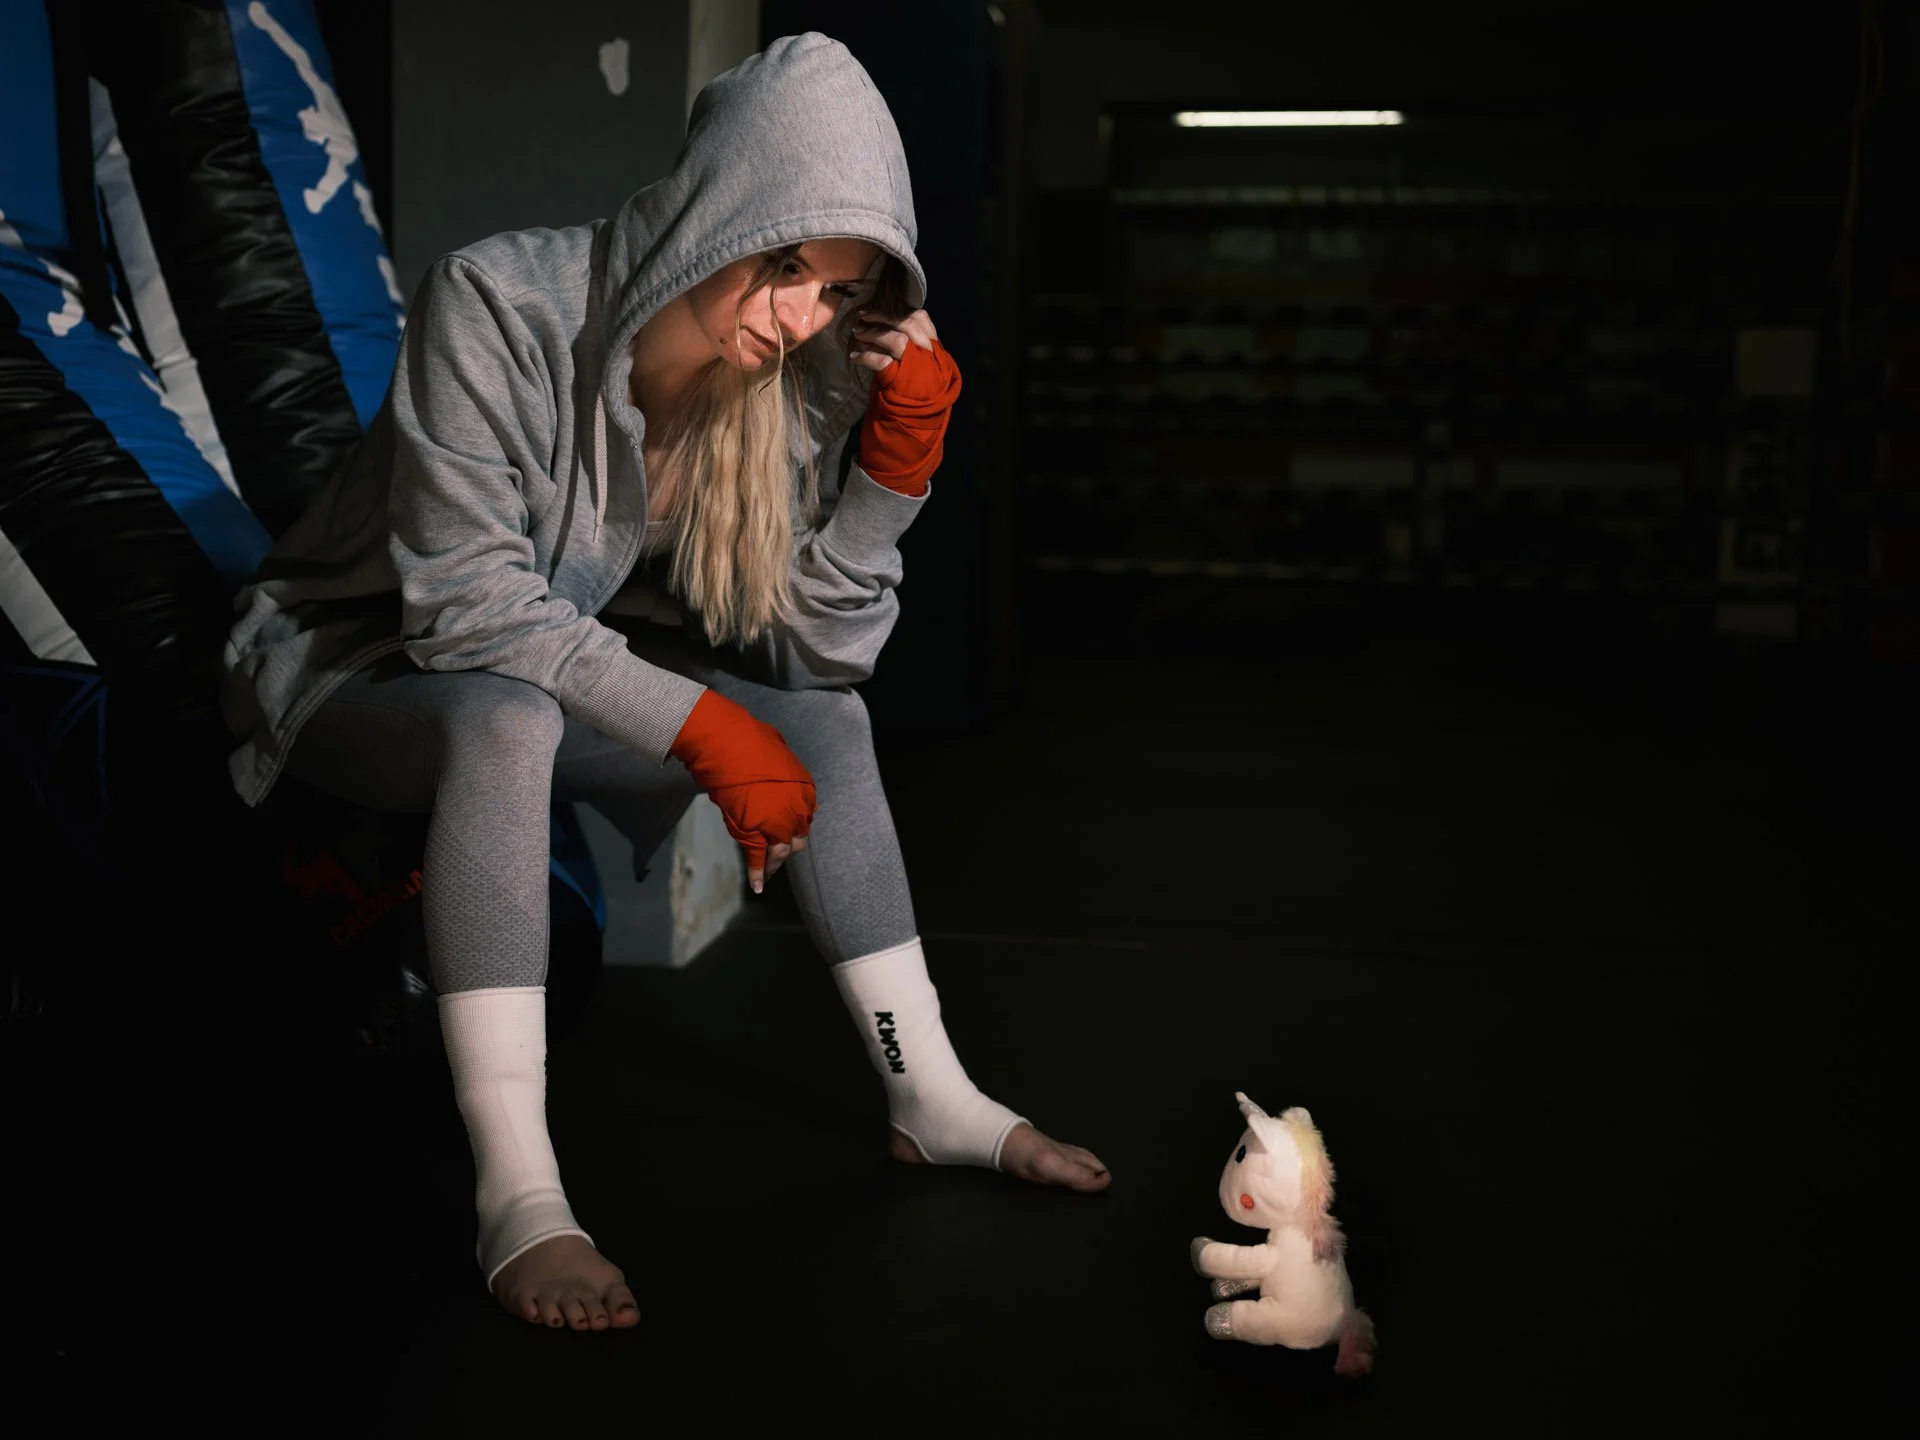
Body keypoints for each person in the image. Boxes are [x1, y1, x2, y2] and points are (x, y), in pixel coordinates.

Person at [218, 32, 1110, 1333]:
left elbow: (819, 651)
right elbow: (465, 611)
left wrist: (893, 474)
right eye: (787, 261)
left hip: (524, 685)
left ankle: (932, 1095)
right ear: (719, 209)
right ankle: (520, 1195)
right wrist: (697, 726)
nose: (801, 314)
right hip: (351, 669)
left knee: (824, 720)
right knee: (512, 712)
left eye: (839, 289)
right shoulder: (498, 302)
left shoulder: (782, 384)